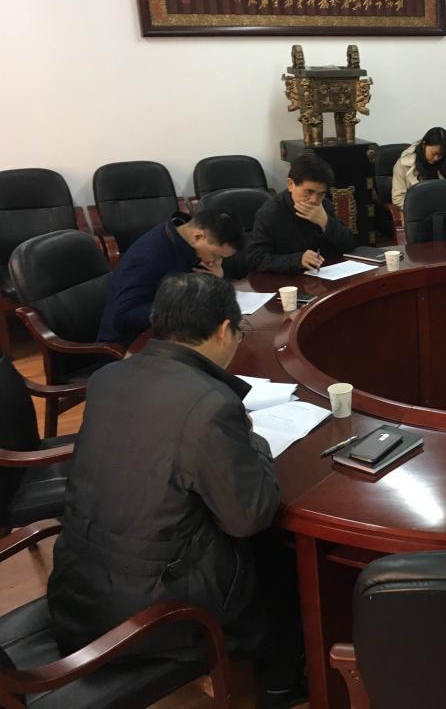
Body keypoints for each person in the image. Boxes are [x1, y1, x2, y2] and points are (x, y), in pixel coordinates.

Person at [48, 273, 307, 708]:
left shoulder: (109, 377)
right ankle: (280, 683)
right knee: (276, 548)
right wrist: (253, 439)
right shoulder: (210, 406)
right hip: (153, 613)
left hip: (77, 588)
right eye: (239, 332)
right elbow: (250, 516)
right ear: (224, 330)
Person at [96, 209, 244, 346]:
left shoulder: (185, 241)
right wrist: (185, 310)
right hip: (132, 345)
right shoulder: (148, 257)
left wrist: (218, 278)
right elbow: (125, 316)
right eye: (216, 255)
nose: (217, 262)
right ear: (198, 236)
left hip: (174, 334)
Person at [248, 152, 357, 274]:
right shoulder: (270, 213)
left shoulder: (324, 206)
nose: (314, 200)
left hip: (325, 274)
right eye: (309, 192)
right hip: (288, 279)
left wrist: (326, 222)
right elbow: (255, 259)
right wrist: (297, 259)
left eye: (321, 194)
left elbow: (349, 244)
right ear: (291, 185)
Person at [391, 126, 446, 208]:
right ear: (423, 145)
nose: (436, 158)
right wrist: (421, 208)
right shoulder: (404, 164)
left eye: (440, 154)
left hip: (442, 207)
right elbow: (398, 198)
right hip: (415, 209)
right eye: (433, 153)